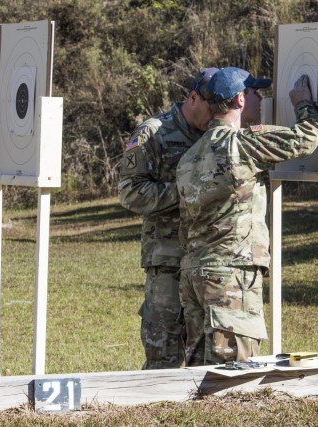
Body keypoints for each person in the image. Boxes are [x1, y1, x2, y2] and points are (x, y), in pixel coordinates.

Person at [176, 67, 318, 366]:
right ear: (240, 100)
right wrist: (303, 104)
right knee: (234, 373)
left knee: (198, 370)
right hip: (231, 273)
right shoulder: (242, 143)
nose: (261, 98)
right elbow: (306, 138)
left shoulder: (189, 156)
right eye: (256, 92)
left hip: (194, 272)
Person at [118, 67, 219, 369]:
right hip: (168, 259)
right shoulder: (153, 132)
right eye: (211, 106)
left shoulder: (217, 135)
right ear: (193, 98)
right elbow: (130, 191)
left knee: (207, 350)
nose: (216, 114)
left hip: (208, 259)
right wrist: (185, 191)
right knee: (164, 350)